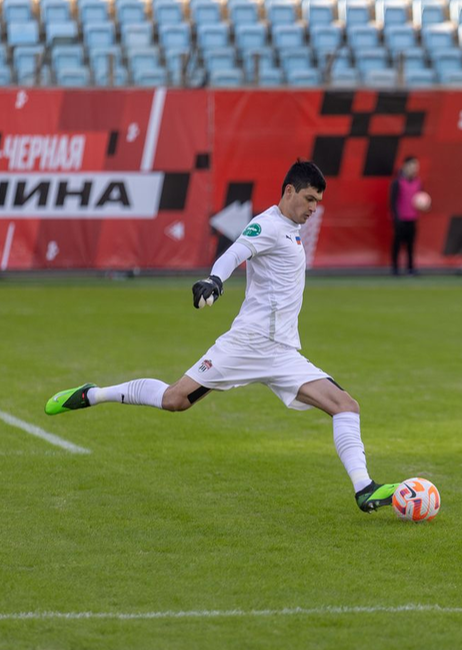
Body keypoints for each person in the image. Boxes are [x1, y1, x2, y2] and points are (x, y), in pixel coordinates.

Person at [44, 160, 400, 514]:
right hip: (246, 344)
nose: (312, 208)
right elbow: (235, 253)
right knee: (174, 400)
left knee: (346, 406)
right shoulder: (268, 225)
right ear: (289, 191)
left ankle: (364, 489)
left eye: (317, 202)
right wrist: (215, 280)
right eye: (308, 199)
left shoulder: (291, 229)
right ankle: (95, 394)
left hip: (283, 353)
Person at [389, 156, 422, 276]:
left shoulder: (418, 182)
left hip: (412, 219)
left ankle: (410, 268)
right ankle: (395, 268)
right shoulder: (397, 182)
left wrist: (424, 205)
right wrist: (396, 218)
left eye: (416, 167)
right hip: (400, 220)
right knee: (397, 244)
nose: (414, 169)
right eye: (412, 166)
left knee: (410, 245)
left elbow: (419, 200)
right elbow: (393, 201)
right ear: (405, 166)